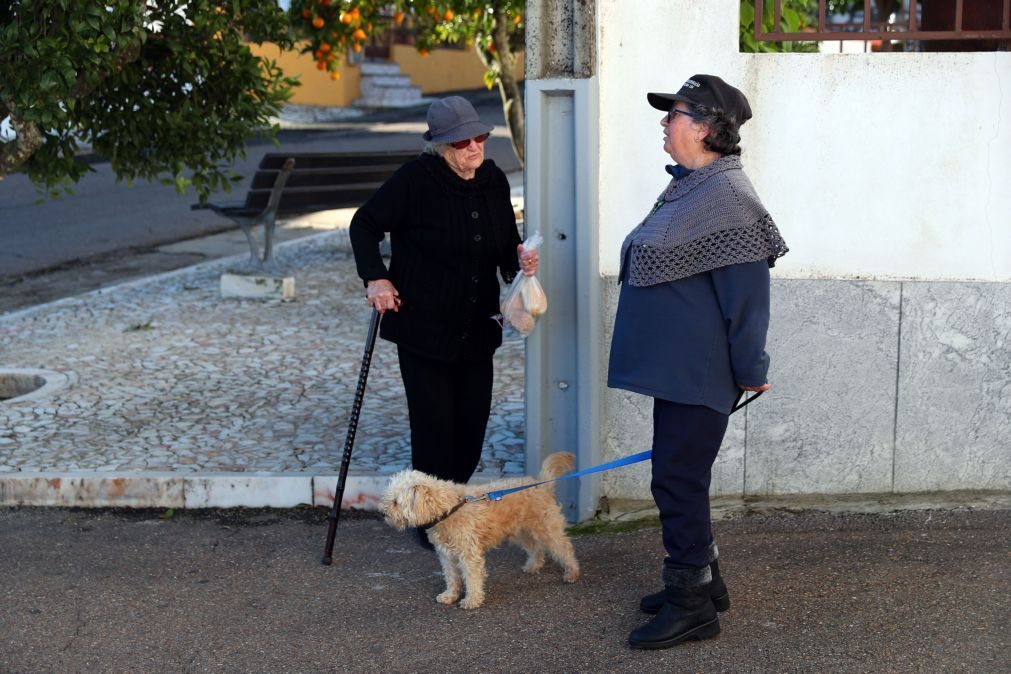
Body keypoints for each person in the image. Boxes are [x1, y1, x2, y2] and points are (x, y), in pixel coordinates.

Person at [607, 75, 789, 649]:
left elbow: (747, 300)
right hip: (678, 371)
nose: (664, 122)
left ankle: (691, 606)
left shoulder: (730, 200)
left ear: (706, 128)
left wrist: (751, 368)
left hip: (702, 373)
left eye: (675, 114)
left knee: (677, 483)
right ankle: (707, 585)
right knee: (682, 479)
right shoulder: (690, 187)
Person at [349, 96, 538, 546]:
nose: (474, 147)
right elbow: (364, 224)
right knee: (434, 429)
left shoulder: (492, 182)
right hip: (424, 329)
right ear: (440, 145)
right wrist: (376, 278)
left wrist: (519, 265)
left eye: (479, 137)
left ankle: (447, 506)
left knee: (471, 430)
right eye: (461, 141)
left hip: (477, 328)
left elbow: (503, 246)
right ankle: (428, 522)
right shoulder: (416, 181)